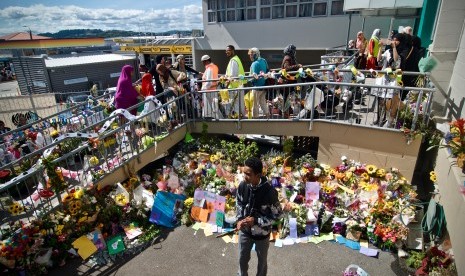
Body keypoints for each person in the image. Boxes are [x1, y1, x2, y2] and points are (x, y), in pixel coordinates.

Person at [236, 157, 283, 276]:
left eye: (248, 174)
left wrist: (257, 221)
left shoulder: (270, 193)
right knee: (242, 261)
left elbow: (278, 216)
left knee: (262, 264)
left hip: (262, 236)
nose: (244, 176)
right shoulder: (242, 186)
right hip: (245, 232)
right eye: (243, 173)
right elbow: (239, 204)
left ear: (258, 175)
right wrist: (239, 220)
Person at [280, 44, 302, 118]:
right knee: (286, 97)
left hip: (291, 82)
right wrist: (297, 66)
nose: (294, 52)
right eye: (293, 51)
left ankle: (287, 111)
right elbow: (287, 68)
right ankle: (285, 113)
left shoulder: (291, 58)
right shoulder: (287, 58)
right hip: (287, 82)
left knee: (289, 97)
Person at [225, 45, 246, 118]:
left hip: (234, 87)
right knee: (239, 103)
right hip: (238, 85)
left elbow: (232, 76)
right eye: (226, 50)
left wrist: (226, 86)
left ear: (233, 51)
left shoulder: (233, 60)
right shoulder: (236, 59)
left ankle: (238, 118)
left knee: (235, 104)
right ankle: (240, 117)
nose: (227, 52)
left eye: (228, 50)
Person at [248, 48, 269, 119]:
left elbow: (253, 76)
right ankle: (268, 116)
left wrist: (248, 79)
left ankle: (255, 119)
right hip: (264, 86)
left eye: (251, 55)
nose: (250, 56)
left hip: (256, 87)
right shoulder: (264, 61)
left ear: (255, 54)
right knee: (262, 102)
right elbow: (267, 70)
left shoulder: (254, 64)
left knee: (255, 104)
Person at [200, 55, 222, 119]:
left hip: (209, 91)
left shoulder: (209, 69)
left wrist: (202, 89)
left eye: (203, 62)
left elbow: (209, 82)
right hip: (213, 89)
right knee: (214, 106)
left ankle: (218, 119)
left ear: (206, 61)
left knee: (212, 107)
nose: (203, 63)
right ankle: (218, 118)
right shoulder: (214, 67)